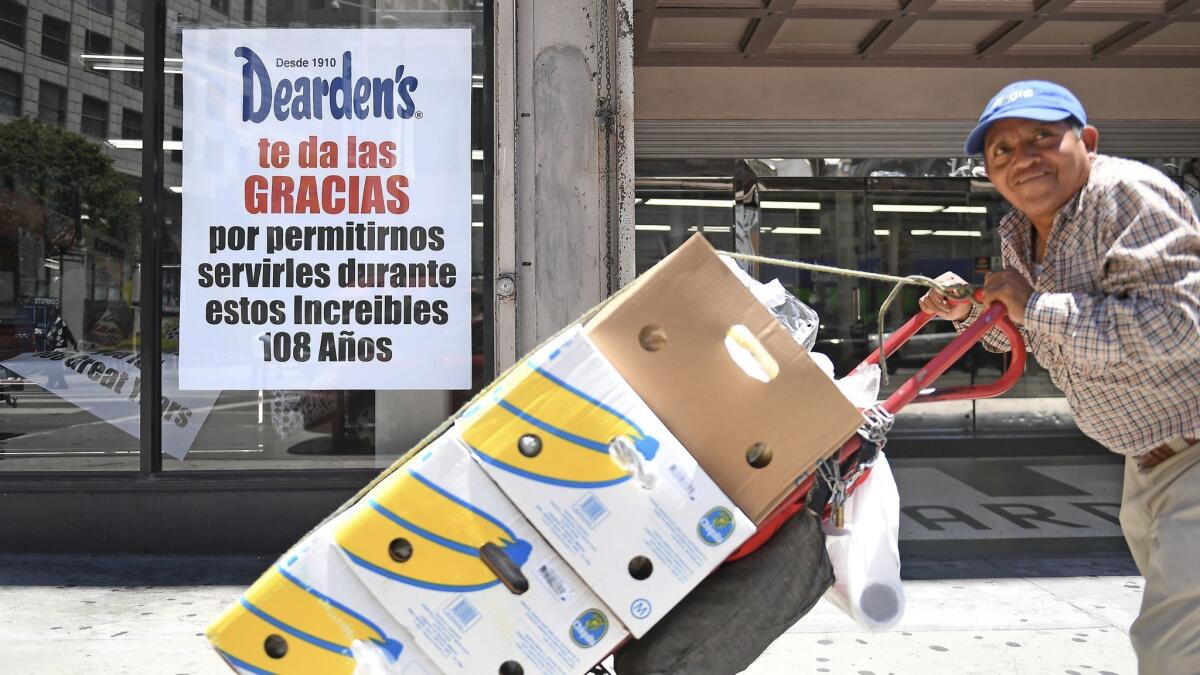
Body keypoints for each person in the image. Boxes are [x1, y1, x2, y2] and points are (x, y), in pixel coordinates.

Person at [920, 80, 1200, 674]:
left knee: (1173, 648)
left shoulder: (1127, 195)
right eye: (1002, 151)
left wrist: (1034, 305)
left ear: (1087, 140)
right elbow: (1028, 338)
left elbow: (1180, 326)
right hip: (1146, 464)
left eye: (1042, 137)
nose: (1023, 158)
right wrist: (971, 313)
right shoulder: (1019, 232)